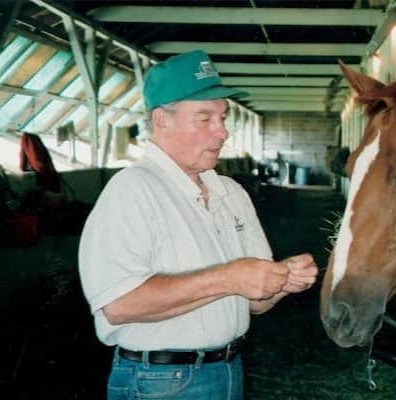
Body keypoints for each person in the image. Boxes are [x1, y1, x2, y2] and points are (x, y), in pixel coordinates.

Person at [78, 49, 318, 400]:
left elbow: (254, 303)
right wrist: (230, 276)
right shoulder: (132, 191)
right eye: (204, 118)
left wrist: (282, 281)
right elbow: (118, 305)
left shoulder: (231, 193)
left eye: (223, 117)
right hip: (160, 381)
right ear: (162, 120)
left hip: (227, 369)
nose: (222, 133)